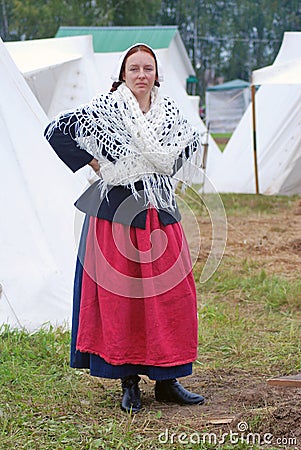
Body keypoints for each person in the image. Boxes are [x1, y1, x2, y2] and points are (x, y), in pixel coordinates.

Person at [45, 43, 204, 414]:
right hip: (115, 214)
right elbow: (56, 131)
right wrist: (97, 164)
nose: (142, 76)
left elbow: (190, 141)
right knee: (122, 300)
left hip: (159, 211)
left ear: (156, 75)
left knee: (169, 297)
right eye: (134, 69)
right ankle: (128, 382)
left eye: (148, 69)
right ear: (123, 74)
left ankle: (168, 380)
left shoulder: (170, 114)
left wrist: (160, 170)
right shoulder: (105, 111)